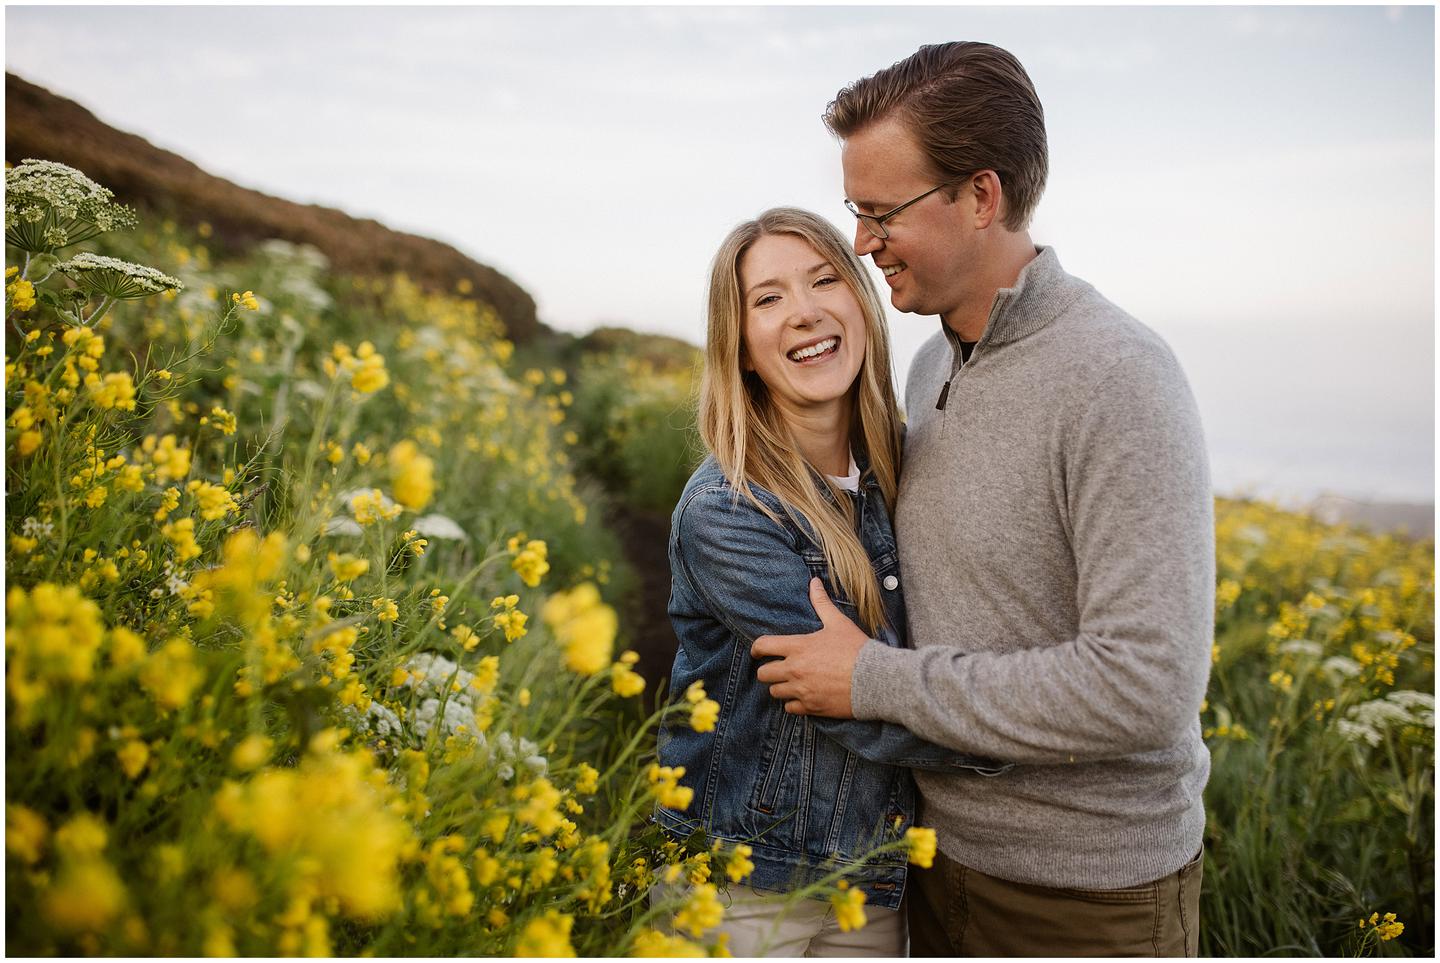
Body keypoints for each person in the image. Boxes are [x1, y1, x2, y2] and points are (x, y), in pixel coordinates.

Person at [750, 42, 1215, 957]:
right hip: (930, 864)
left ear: (981, 196)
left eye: (882, 212)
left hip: (1084, 899)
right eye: (857, 210)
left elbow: (1146, 684)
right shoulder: (926, 367)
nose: (861, 243)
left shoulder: (1119, 376)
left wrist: (872, 681)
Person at [654, 207, 1007, 957]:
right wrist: (1038, 723)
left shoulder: (901, 467)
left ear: (859, 300)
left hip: (868, 883)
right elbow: (856, 704)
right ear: (741, 345)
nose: (805, 310)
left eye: (823, 280)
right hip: (740, 887)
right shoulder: (727, 510)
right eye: (769, 298)